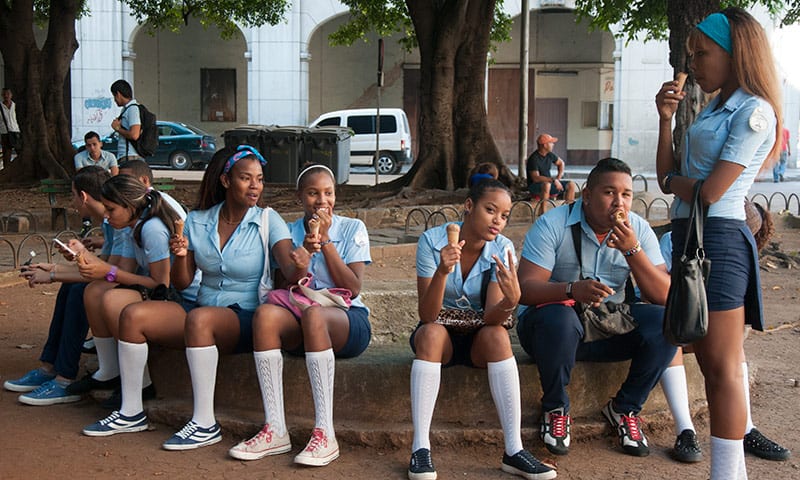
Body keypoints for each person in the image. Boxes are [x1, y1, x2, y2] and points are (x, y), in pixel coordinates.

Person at [82, 146, 304, 452]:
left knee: (201, 319)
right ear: (226, 181)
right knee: (134, 315)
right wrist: (182, 255)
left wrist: (302, 261)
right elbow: (183, 281)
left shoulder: (268, 219)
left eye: (260, 179)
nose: (255, 186)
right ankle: (131, 411)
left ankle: (204, 423)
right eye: (246, 178)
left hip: (245, 316)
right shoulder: (198, 220)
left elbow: (290, 268)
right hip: (202, 308)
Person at [655, 8, 783, 479]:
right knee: (710, 364)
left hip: (721, 241)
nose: (695, 63)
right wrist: (666, 120)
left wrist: (673, 180)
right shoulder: (715, 106)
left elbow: (711, 193)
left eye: (703, 53)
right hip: (692, 238)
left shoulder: (754, 111)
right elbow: (671, 174)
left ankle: (729, 474)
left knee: (724, 365)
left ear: (735, 54)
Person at [516, 157, 676, 458]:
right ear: (587, 195)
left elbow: (665, 295)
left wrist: (632, 250)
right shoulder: (554, 223)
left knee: (667, 321)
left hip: (609, 327)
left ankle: (625, 409)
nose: (619, 202)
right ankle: (555, 409)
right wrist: (571, 290)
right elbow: (524, 289)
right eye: (609, 192)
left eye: (626, 194)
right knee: (560, 317)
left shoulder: (637, 229)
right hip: (552, 331)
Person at [406, 179, 556, 480]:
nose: (497, 221)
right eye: (490, 210)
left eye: (504, 215)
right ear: (469, 205)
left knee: (499, 335)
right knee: (432, 332)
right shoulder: (433, 241)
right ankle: (420, 448)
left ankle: (514, 450)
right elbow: (427, 314)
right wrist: (442, 271)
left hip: (479, 336)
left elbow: (491, 318)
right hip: (439, 337)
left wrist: (512, 301)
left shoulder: (502, 248)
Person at [228, 164, 373, 467]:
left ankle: (325, 433)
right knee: (266, 314)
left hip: (346, 321)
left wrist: (327, 241)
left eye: (328, 193)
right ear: (300, 197)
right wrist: (303, 260)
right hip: (302, 316)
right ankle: (275, 429)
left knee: (315, 316)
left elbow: (353, 288)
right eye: (313, 193)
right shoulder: (289, 231)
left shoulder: (352, 228)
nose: (322, 201)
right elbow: (284, 287)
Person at [659, 201, 789, 463]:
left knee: (732, 347)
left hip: (706, 324)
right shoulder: (674, 239)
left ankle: (747, 428)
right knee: (668, 340)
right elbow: (665, 292)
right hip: (677, 319)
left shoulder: (731, 255)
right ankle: (686, 430)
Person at [3, 166, 134, 405]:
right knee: (70, 288)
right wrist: (54, 269)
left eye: (73, 195)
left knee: (79, 292)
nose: (72, 202)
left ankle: (65, 378)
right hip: (118, 277)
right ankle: (50, 367)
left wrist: (53, 273)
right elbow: (104, 264)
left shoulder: (119, 220)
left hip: (131, 283)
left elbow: (107, 272)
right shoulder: (109, 221)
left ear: (83, 196)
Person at [65, 174, 183, 404]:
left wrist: (108, 272)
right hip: (155, 292)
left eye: (111, 209)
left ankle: (142, 384)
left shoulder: (152, 229)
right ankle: (109, 371)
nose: (106, 216)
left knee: (113, 299)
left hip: (177, 299)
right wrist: (88, 260)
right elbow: (121, 268)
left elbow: (162, 285)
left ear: (129, 206)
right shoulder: (132, 225)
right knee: (95, 291)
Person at [75, 131, 119, 236]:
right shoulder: (79, 157)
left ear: (101, 144)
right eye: (89, 145)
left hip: (105, 185)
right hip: (88, 186)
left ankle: (108, 223)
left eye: (95, 144)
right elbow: (82, 176)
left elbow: (115, 175)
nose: (92, 147)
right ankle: (86, 224)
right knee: (85, 195)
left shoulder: (110, 156)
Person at [526, 134, 576, 203]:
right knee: (547, 185)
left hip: (549, 183)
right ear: (545, 145)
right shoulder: (533, 159)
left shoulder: (549, 155)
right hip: (535, 186)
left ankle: (569, 210)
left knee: (571, 184)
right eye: (551, 143)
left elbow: (561, 163)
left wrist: (558, 178)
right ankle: (544, 212)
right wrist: (553, 180)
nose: (553, 144)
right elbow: (536, 178)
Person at [110, 79, 142, 161]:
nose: (114, 100)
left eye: (114, 96)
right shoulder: (127, 109)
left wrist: (117, 128)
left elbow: (134, 135)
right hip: (127, 155)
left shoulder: (132, 109)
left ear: (118, 94)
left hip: (131, 156)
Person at [1, 87, 21, 165]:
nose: (6, 96)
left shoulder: (15, 106)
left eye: (8, 94)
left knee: (20, 153)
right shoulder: (0, 106)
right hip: (5, 134)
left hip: (16, 132)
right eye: (4, 94)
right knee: (6, 157)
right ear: (2, 95)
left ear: (11, 95)